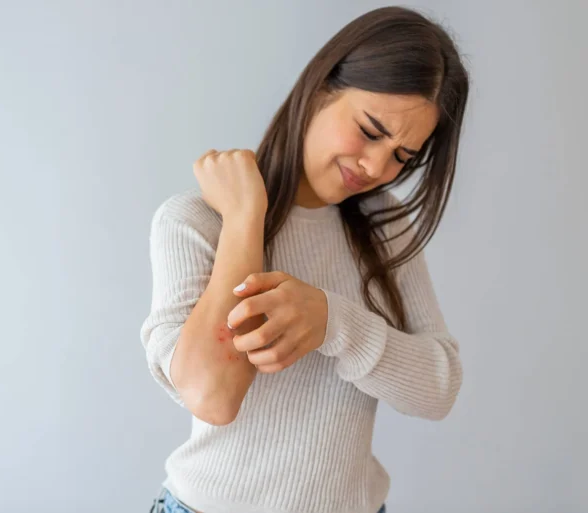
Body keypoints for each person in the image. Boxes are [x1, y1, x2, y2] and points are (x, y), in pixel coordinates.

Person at [140, 6, 469, 513]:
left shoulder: (384, 227)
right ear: (319, 88)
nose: (378, 166)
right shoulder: (196, 221)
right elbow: (214, 396)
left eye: (404, 156)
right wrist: (247, 217)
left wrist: (333, 322)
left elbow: (438, 387)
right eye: (371, 130)